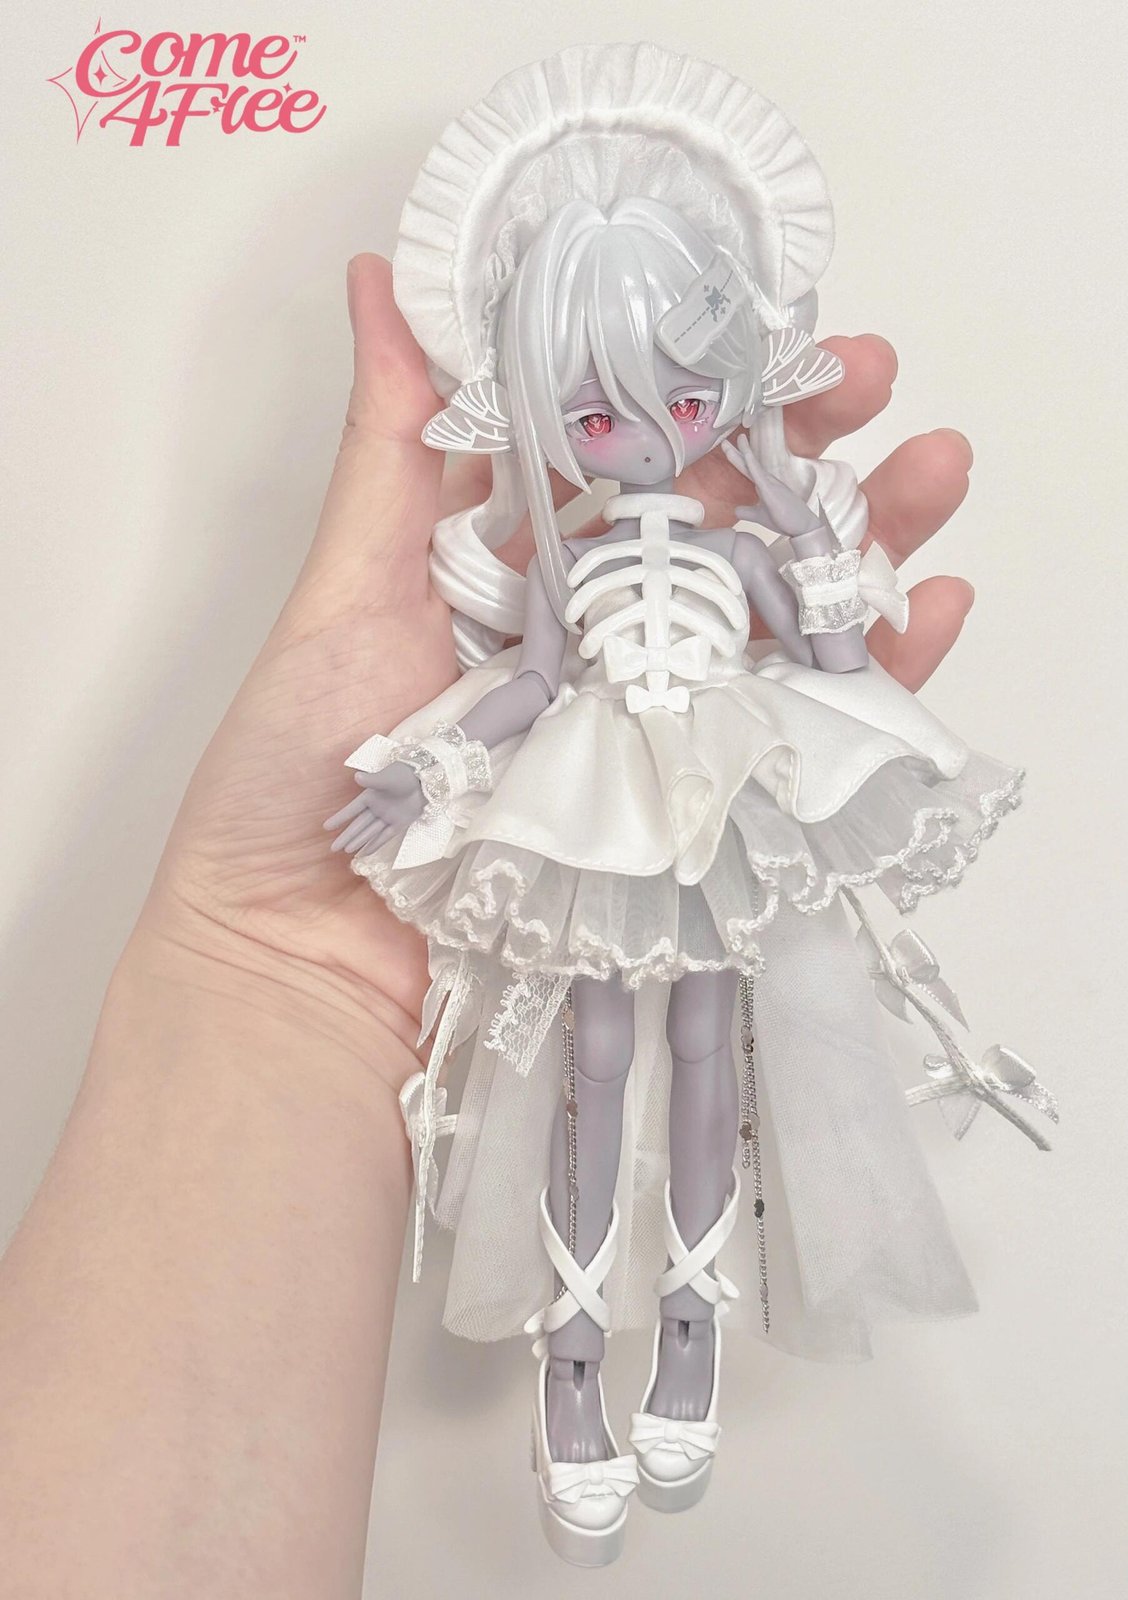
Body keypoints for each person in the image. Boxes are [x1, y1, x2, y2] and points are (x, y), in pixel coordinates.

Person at [0, 246, 981, 1596]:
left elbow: (839, 660)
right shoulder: (568, 569)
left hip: (724, 794)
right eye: (598, 413)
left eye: (687, 398)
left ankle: (688, 1337)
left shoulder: (744, 549)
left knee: (717, 1052)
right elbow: (526, 688)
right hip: (592, 805)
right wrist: (431, 762)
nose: (653, 435)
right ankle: (571, 1371)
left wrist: (803, 532)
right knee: (591, 1063)